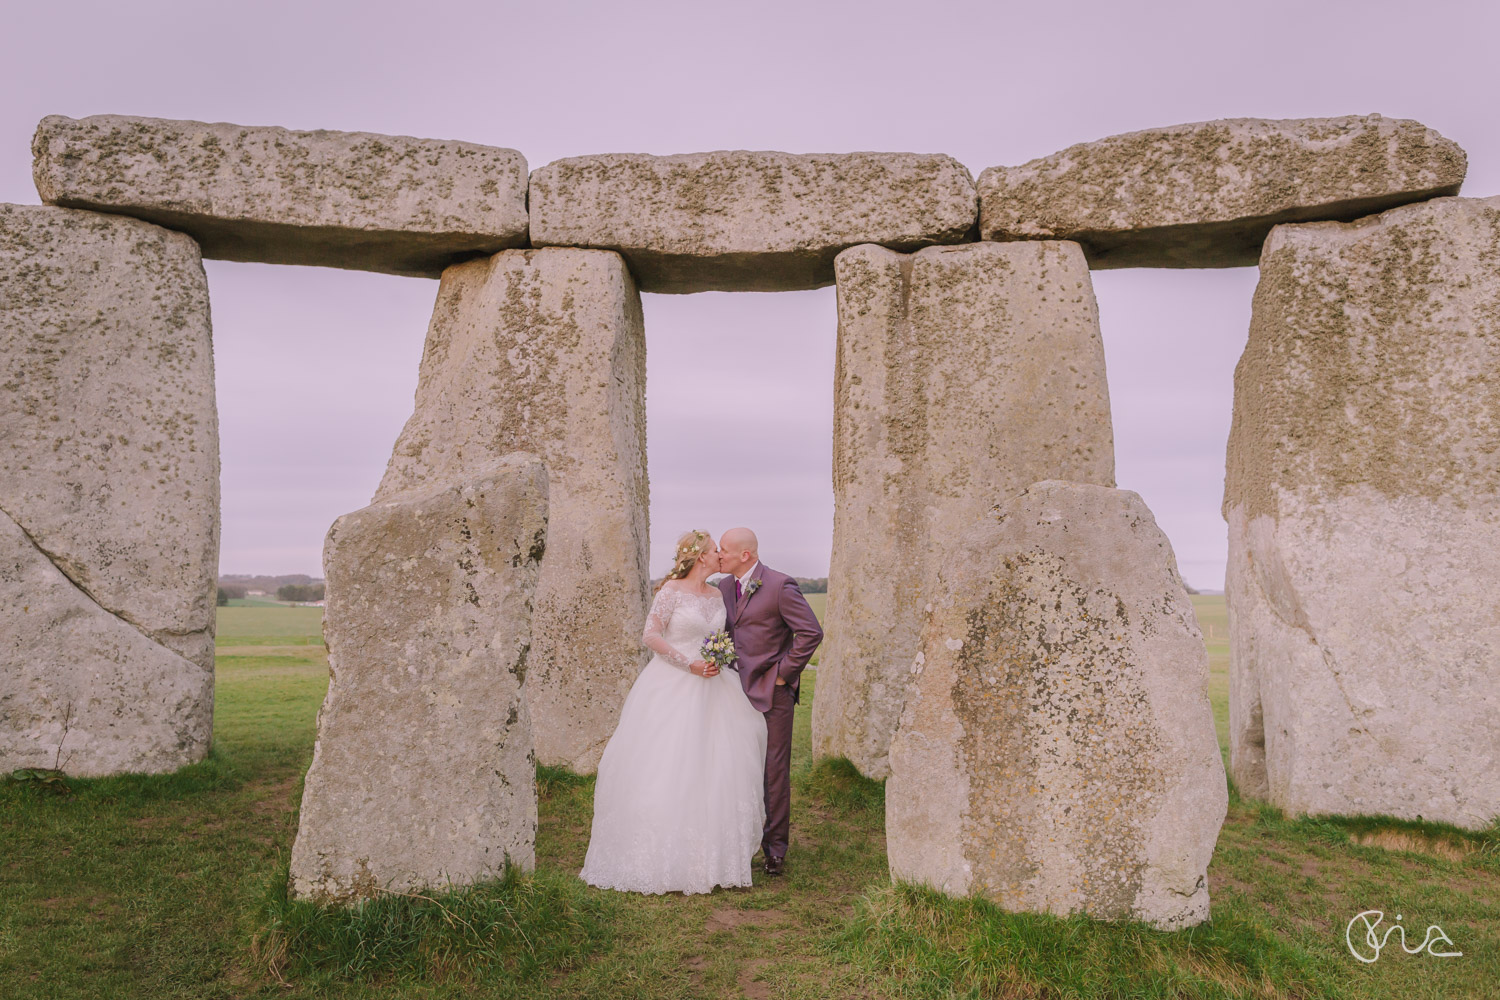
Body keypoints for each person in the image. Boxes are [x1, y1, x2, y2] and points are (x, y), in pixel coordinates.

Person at [580, 530, 768, 894]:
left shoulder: (717, 595)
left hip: (715, 686)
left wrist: (716, 657)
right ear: (700, 557)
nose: (720, 555)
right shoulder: (671, 592)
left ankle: (710, 856)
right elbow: (650, 635)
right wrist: (689, 663)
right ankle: (657, 855)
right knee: (668, 764)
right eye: (715, 550)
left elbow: (722, 635)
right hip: (673, 682)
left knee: (716, 767)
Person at [716, 527, 823, 877]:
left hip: (772, 694)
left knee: (773, 770)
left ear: (745, 555)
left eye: (725, 551)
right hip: (732, 690)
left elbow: (811, 632)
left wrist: (783, 674)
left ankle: (775, 849)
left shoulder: (779, 585)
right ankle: (739, 839)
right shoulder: (723, 588)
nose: (720, 556)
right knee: (736, 766)